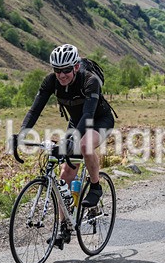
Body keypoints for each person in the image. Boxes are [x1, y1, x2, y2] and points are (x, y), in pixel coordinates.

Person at [13, 44, 116, 245]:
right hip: (77, 123)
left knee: (85, 145)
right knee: (64, 175)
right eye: (57, 70)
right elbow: (35, 110)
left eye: (66, 70)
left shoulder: (90, 81)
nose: (61, 75)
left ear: (76, 67)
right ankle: (64, 226)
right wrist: (21, 134)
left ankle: (95, 187)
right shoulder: (51, 81)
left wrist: (71, 142)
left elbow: (88, 115)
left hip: (99, 120)